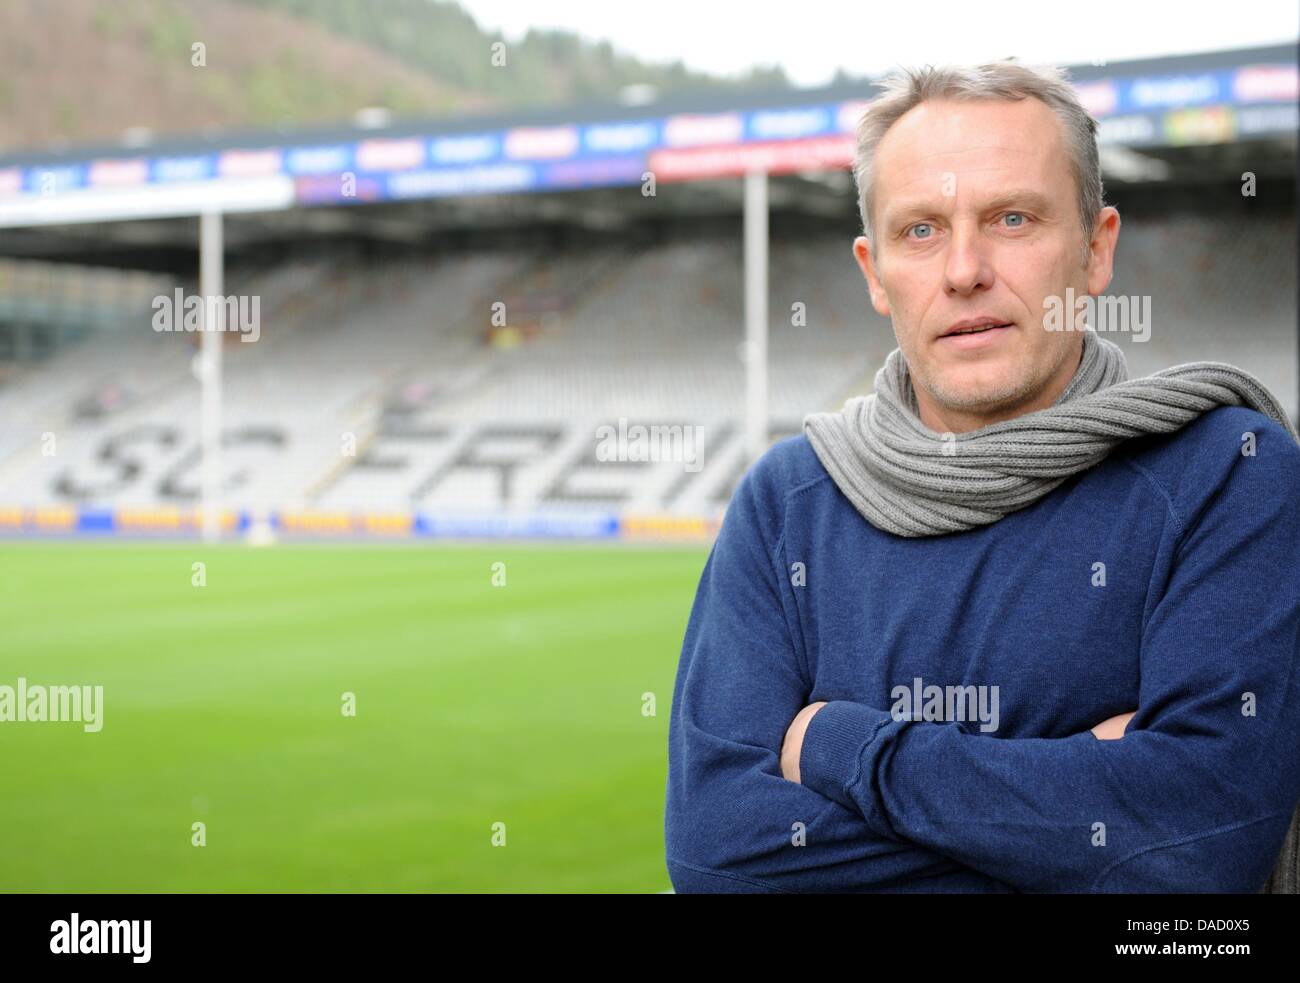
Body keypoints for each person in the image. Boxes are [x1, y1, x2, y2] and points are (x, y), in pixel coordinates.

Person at [663, 59, 1300, 893]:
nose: (963, 269)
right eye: (920, 229)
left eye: (1011, 218)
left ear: (1097, 250)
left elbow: (1194, 853)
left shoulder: (1227, 472)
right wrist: (1075, 804)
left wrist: (841, 747)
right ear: (873, 272)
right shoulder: (788, 502)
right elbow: (720, 859)